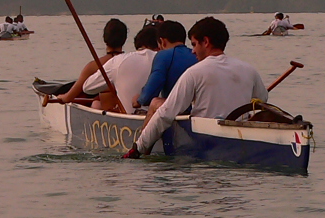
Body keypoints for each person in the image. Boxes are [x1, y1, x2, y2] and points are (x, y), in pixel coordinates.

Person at [124, 17, 268, 158]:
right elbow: (262, 100)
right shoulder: (249, 70)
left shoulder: (194, 72)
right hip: (239, 143)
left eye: (194, 44)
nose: (192, 51)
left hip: (204, 144)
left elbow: (165, 114)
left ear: (205, 42)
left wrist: (138, 148)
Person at [47, 19, 128, 106]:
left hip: (107, 108)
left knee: (96, 103)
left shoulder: (93, 67)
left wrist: (62, 97)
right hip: (128, 108)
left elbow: (69, 97)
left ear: (104, 39)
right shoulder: (131, 62)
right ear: (125, 39)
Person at [85, 25, 158, 112]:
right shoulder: (166, 59)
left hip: (129, 117)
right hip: (156, 115)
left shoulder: (116, 61)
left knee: (96, 103)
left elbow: (87, 88)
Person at [134, 20, 197, 112]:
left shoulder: (164, 55)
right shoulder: (196, 55)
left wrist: (138, 100)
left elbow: (149, 94)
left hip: (177, 114)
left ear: (162, 41)